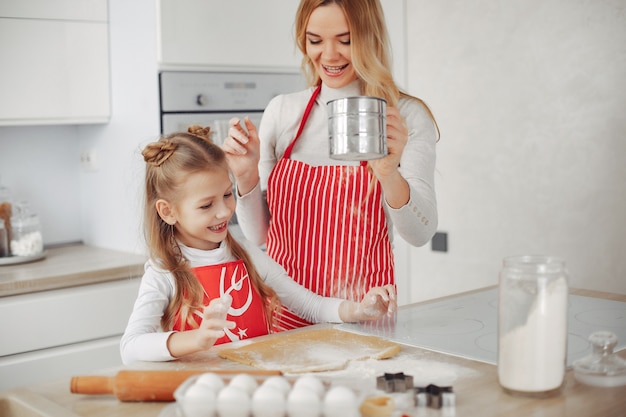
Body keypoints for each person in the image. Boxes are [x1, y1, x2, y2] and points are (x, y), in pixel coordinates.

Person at [222, 0, 439, 331]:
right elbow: (260, 236)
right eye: (315, 40)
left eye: (345, 39)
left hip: (364, 316)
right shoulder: (283, 112)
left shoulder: (404, 116)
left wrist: (387, 172)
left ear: (370, 38)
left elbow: (421, 233)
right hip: (284, 315)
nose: (329, 55)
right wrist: (245, 175)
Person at [120, 126, 396, 364]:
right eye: (206, 205)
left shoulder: (245, 254)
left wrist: (359, 309)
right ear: (168, 211)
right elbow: (130, 347)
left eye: (227, 194)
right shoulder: (164, 272)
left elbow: (308, 304)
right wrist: (197, 339)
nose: (224, 212)